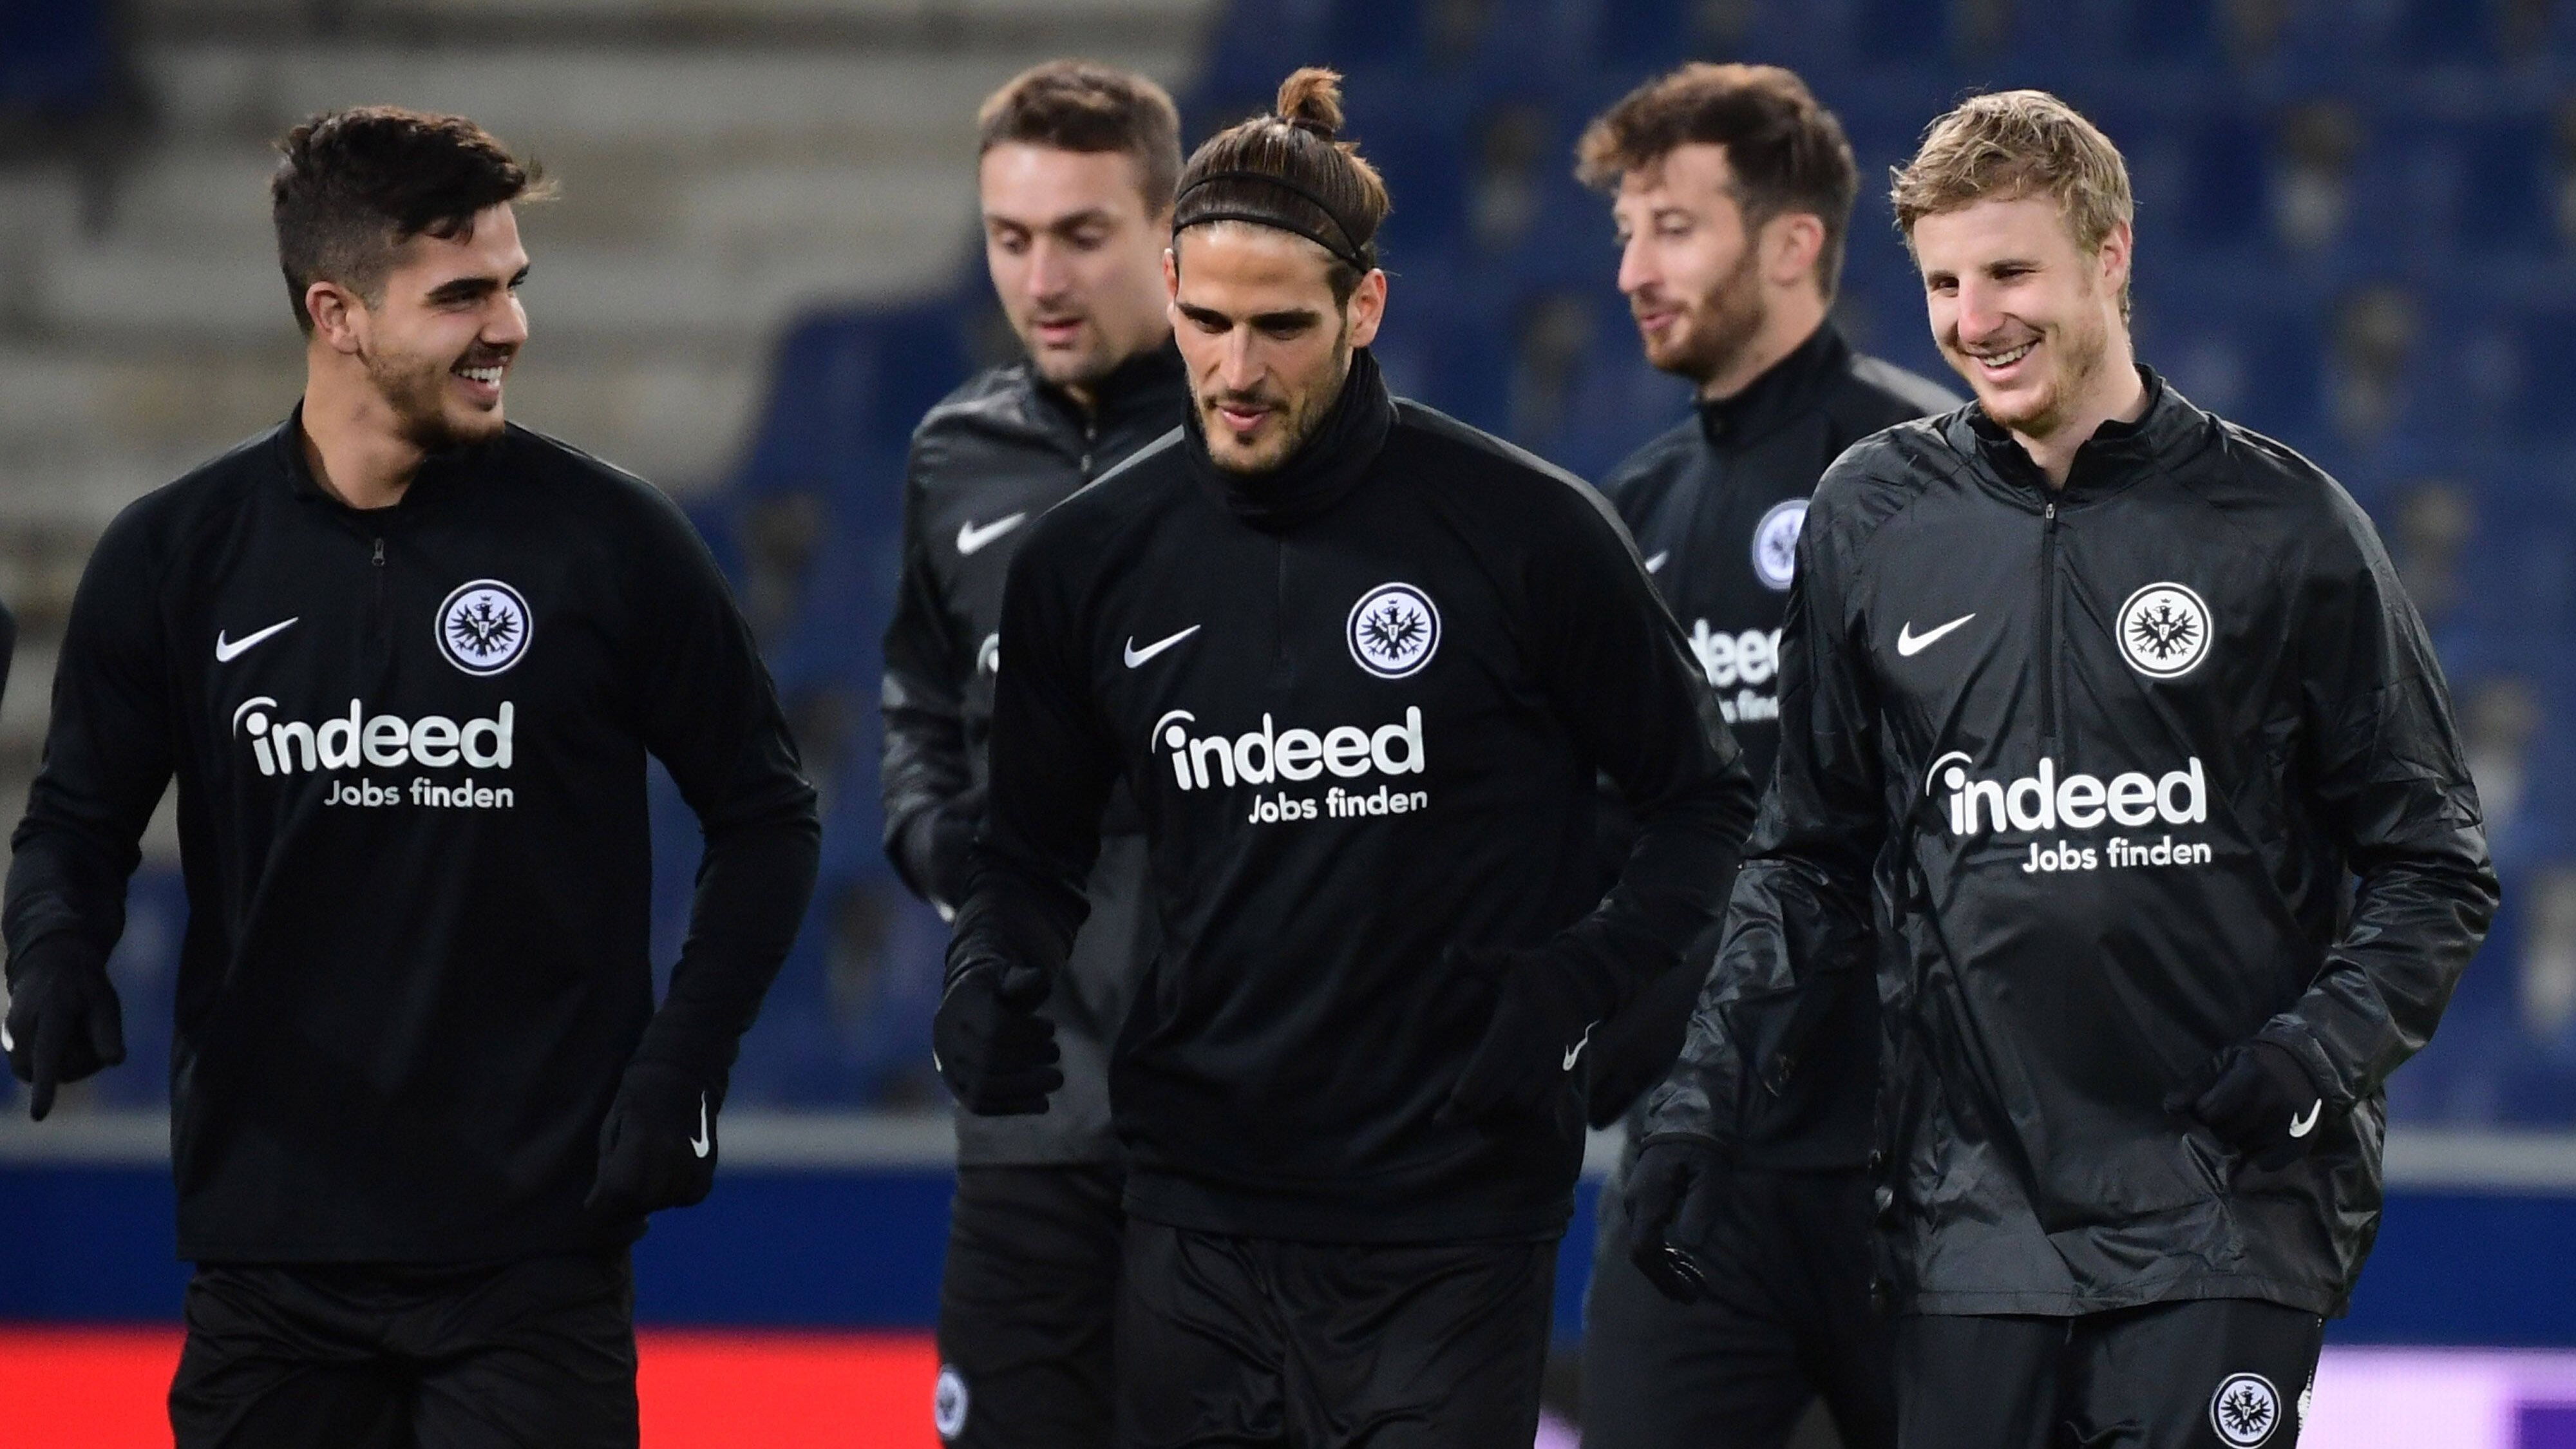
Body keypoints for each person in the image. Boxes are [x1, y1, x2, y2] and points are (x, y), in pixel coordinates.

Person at [1627, 90, 2499, 1449]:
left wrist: (2312, 1054)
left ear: (2111, 253)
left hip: (2225, 1206)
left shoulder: (2283, 527)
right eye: (1941, 283)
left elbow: (2431, 862)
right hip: (1971, 1220)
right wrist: (1697, 1109)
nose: (1974, 318)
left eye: (2008, 271)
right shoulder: (1872, 513)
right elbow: (1805, 856)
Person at [934, 67, 1759, 1448]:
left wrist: (1577, 985)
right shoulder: (1086, 562)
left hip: (1448, 1219)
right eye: (1203, 322)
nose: (1235, 370)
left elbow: (1704, 807)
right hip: (1190, 1210)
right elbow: (1029, 852)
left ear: (1363, 312)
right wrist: (985, 968)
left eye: (1279, 329)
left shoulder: (1526, 535)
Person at [2, 107, 819, 1448]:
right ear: (336, 313)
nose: (508, 328)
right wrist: (50, 947)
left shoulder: (611, 544)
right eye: (461, 295)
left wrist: (683, 1065)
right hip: (269, 1258)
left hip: (533, 1262)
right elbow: (78, 824)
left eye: (511, 285)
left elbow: (767, 816)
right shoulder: (173, 557)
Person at [1571, 62, 1955, 1449]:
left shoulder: (1935, 473)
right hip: (1697, 1173)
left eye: (1671, 226)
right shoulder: (1630, 510)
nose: (1630, 269)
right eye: (1624, 232)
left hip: (1922, 1176)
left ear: (1790, 242)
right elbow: (1609, 840)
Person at [879, 59, 1188, 1449]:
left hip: (1235, 1117)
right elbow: (917, 702)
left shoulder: (1262, 440)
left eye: (1081, 234)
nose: (1040, 276)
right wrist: (942, 852)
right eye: (1010, 238)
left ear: (1166, 230)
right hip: (1026, 1114)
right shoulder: (954, 452)